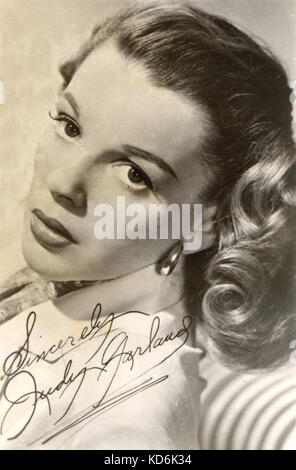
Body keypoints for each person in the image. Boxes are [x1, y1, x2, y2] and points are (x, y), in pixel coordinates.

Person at [0, 2, 295, 450]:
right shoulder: (81, 284)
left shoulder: (126, 430)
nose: (62, 183)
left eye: (135, 174)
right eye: (70, 125)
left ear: (205, 224)